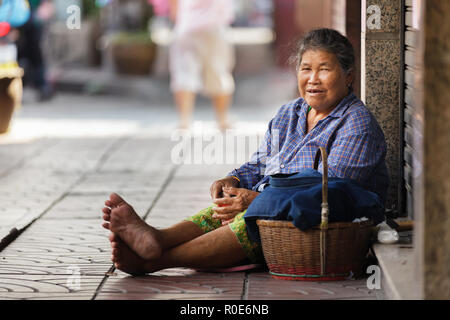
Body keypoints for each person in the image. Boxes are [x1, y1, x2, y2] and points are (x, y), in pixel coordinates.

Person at [101, 28, 389, 276]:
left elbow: (330, 194)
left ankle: (155, 261)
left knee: (256, 217)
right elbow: (261, 163)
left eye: (324, 69)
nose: (313, 79)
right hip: (276, 208)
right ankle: (158, 238)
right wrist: (234, 181)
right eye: (306, 68)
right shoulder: (291, 112)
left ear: (349, 76)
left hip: (324, 225)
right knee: (233, 206)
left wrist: (260, 201)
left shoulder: (356, 124)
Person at [168, 0, 235, 131]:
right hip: (215, 25)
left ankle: (184, 121)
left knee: (184, 72)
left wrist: (177, 17)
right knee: (218, 71)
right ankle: (222, 120)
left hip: (187, 25)